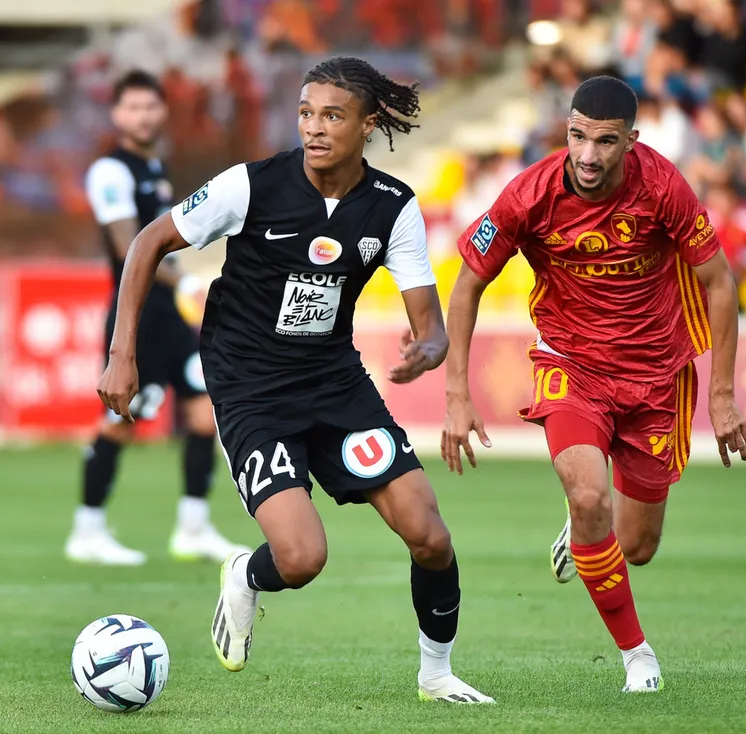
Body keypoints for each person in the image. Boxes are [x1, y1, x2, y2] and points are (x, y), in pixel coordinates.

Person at [98, 56, 493, 704]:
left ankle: (437, 674)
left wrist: (430, 347)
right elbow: (146, 243)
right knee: (303, 558)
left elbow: (430, 322)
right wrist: (122, 353)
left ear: (367, 124)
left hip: (334, 381)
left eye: (332, 115)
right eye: (306, 113)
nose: (313, 127)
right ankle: (246, 574)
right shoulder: (250, 187)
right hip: (250, 385)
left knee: (430, 535)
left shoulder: (393, 207)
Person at [441, 76, 746, 693]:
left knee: (635, 547)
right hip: (571, 365)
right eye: (578, 137)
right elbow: (467, 284)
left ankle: (585, 528)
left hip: (655, 374)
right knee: (590, 498)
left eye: (605, 142)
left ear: (631, 142)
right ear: (567, 132)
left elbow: (719, 282)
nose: (588, 155)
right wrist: (456, 393)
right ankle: (637, 654)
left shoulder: (664, 187)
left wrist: (721, 395)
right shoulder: (527, 194)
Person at [66, 70, 247, 567]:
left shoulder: (156, 168)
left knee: (201, 413)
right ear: (116, 114)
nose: (142, 116)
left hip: (170, 318)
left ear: (162, 112)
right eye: (132, 108)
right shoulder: (111, 171)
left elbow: (166, 250)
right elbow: (130, 249)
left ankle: (192, 527)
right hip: (137, 321)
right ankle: (88, 528)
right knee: (121, 422)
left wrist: (183, 282)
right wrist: (185, 283)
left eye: (150, 107)